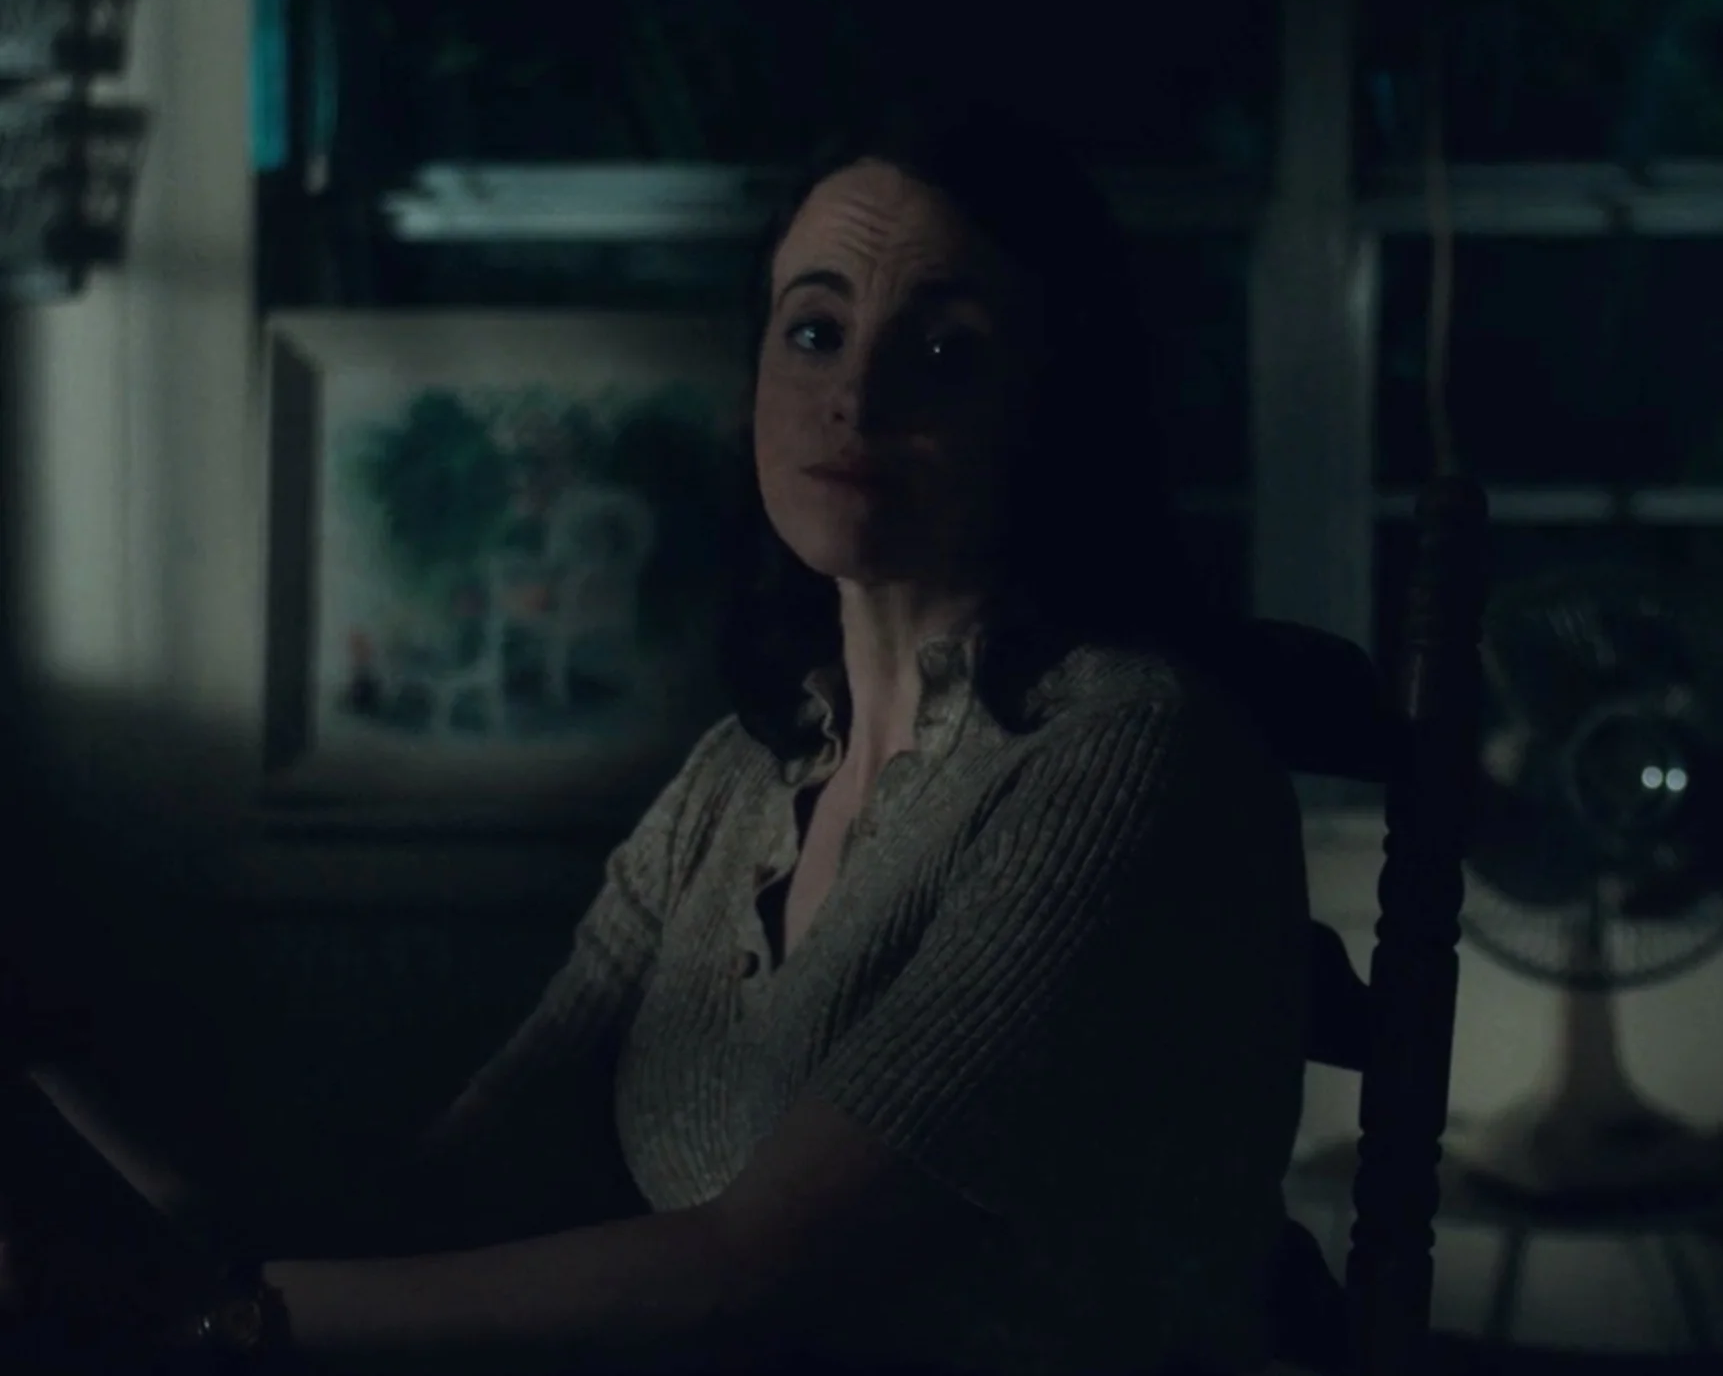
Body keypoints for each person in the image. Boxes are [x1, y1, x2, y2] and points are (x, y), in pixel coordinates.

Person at [1, 100, 1314, 1375]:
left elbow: (750, 1271)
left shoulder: (1124, 755)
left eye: (944, 350)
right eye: (815, 331)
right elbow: (458, 1188)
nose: (856, 395)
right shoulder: (740, 780)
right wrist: (100, 1130)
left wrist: (226, 1322)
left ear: (1053, 404)